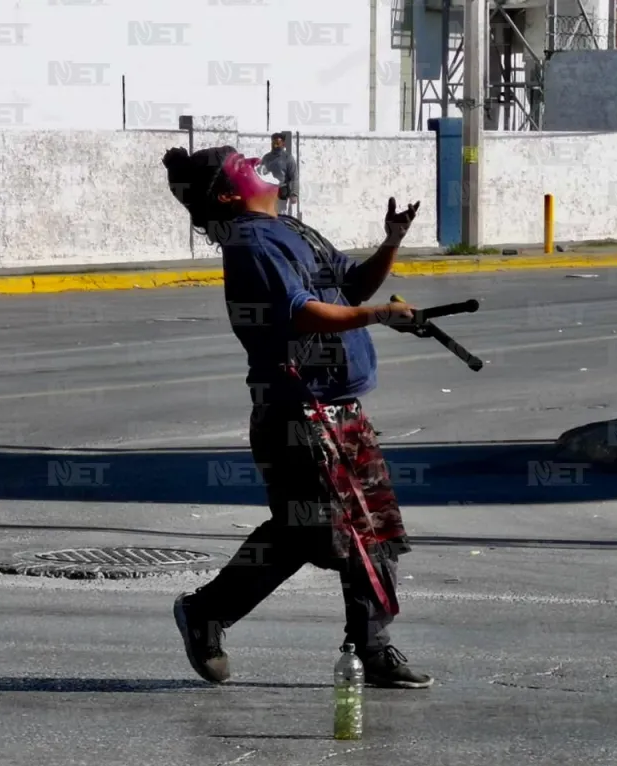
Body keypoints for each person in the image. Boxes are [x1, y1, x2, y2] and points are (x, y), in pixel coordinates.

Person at [162, 144, 434, 690]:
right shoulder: (249, 244)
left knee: (340, 531)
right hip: (299, 414)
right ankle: (360, 647)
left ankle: (361, 645)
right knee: (333, 531)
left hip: (335, 409)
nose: (257, 163)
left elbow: (350, 284)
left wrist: (391, 243)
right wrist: (381, 315)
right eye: (242, 162)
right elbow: (302, 315)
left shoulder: (290, 228)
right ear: (228, 191)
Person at [260, 132, 298, 217]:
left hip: (281, 192)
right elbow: (261, 173)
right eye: (273, 143)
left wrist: (294, 193)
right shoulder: (266, 158)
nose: (275, 145)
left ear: (283, 144)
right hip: (268, 193)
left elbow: (294, 177)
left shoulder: (288, 158)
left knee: (280, 216)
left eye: (278, 143)